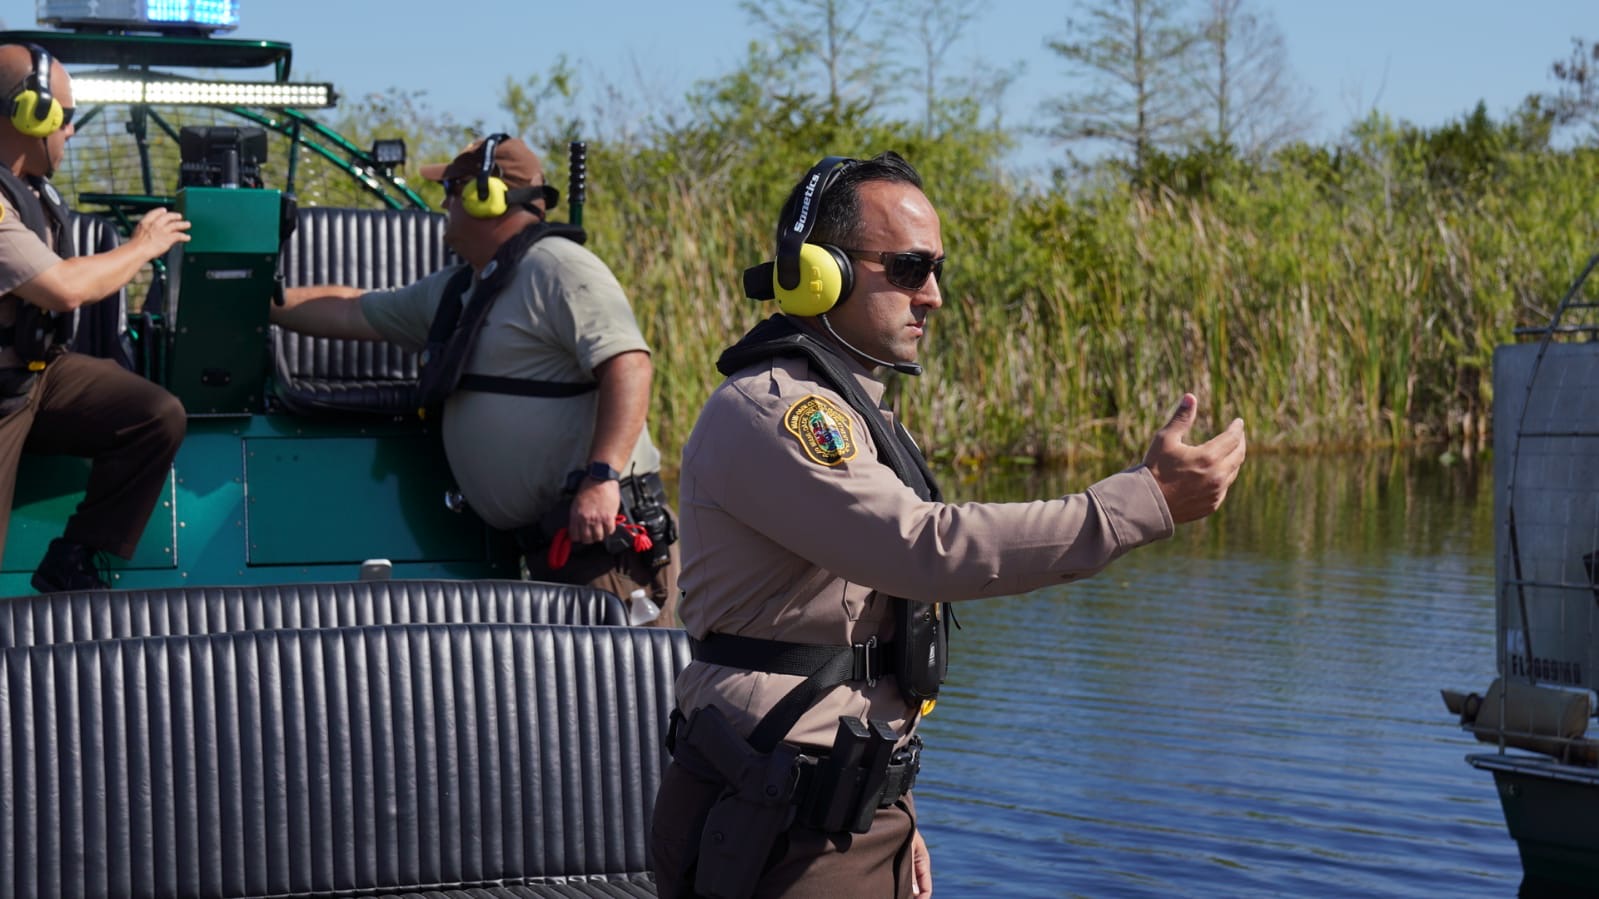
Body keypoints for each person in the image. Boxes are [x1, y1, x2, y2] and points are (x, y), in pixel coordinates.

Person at [649, 152, 1247, 898]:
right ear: (818, 274)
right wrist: (1137, 503)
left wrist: (895, 807)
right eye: (906, 267)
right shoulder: (777, 411)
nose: (931, 295)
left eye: (935, 270)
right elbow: (921, 549)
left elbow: (843, 652)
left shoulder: (847, 407)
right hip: (780, 821)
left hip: (829, 803)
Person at [272, 134, 677, 624]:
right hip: (550, 547)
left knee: (623, 691)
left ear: (485, 196)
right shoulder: (462, 289)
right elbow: (352, 310)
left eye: (452, 189)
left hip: (601, 543)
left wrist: (601, 478)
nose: (443, 203)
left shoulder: (560, 269)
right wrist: (261, 300)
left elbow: (629, 365)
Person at [0, 42, 190, 593]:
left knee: (154, 415)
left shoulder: (32, 191)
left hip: (38, 373)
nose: (72, 132)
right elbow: (62, 289)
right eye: (67, 116)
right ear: (30, 113)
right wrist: (143, 246)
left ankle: (76, 555)